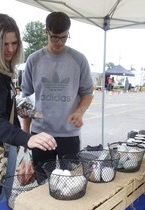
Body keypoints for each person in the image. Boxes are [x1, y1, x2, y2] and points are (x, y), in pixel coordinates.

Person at [0, 14, 57, 210]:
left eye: (14, 43)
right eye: (4, 44)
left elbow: (1, 105)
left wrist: (30, 112)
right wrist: (27, 139)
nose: (10, 49)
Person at [21, 12, 93, 169]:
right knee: (43, 184)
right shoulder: (34, 59)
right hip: (40, 134)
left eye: (64, 37)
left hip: (69, 134)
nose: (60, 42)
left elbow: (87, 93)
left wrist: (79, 112)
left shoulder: (79, 59)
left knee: (72, 182)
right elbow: (25, 98)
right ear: (46, 32)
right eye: (54, 37)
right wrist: (25, 134)